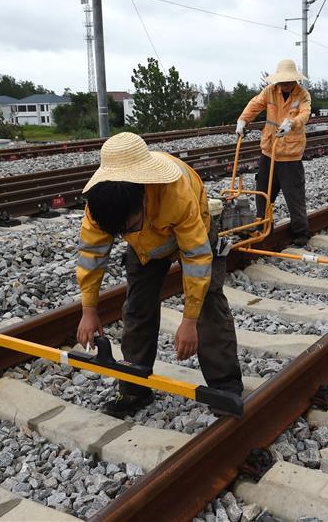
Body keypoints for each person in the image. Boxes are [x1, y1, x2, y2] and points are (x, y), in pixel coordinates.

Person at [75, 133, 243, 417]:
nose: (126, 234)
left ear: (142, 196)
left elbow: (196, 256)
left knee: (208, 305)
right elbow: (92, 255)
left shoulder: (175, 192)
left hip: (196, 234)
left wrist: (188, 320)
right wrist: (89, 310)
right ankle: (134, 387)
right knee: (137, 307)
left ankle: (225, 387)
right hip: (146, 250)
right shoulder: (101, 204)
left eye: (130, 226)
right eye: (121, 233)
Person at [237, 59, 312, 246]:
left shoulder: (302, 95)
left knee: (294, 195)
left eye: (289, 81)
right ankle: (263, 225)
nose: (285, 84)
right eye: (282, 81)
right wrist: (242, 120)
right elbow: (255, 104)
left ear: (295, 80)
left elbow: (305, 113)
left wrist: (292, 123)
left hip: (290, 154)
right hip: (269, 151)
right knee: (263, 192)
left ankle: (301, 232)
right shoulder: (270, 91)